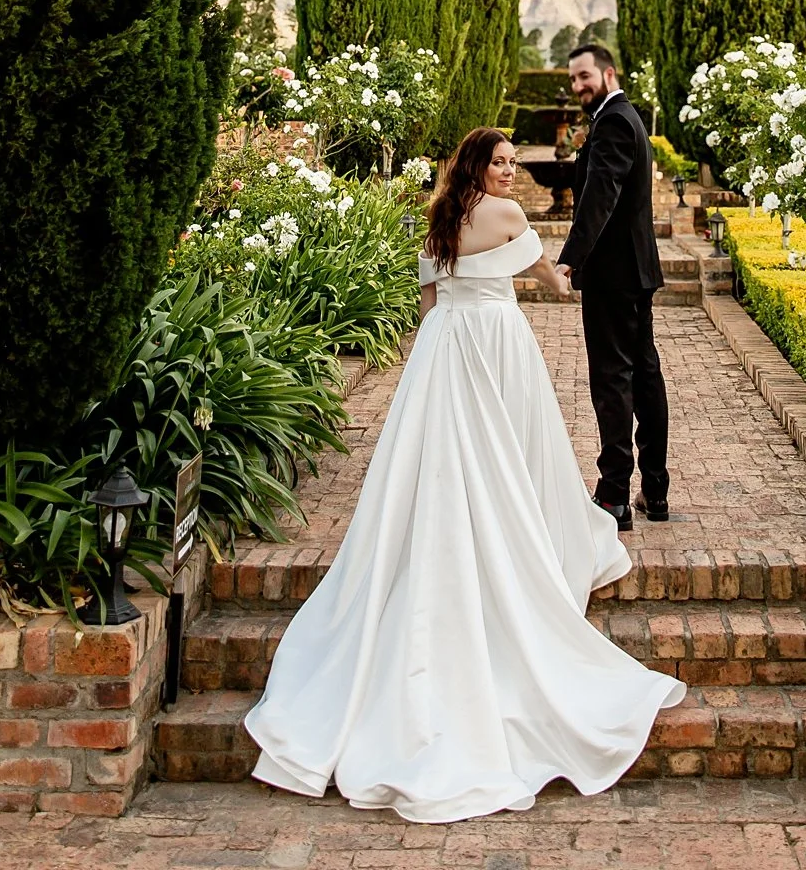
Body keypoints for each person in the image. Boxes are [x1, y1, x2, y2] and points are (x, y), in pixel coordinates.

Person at [243, 126, 684, 823]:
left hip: (444, 350)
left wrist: (433, 355)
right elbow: (550, 279)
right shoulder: (508, 217)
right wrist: (575, 275)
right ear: (479, 165)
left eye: (514, 162)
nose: (511, 172)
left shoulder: (439, 218)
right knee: (511, 451)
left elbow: (425, 308)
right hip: (496, 344)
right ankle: (520, 543)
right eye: (501, 162)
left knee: (441, 460)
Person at [557, 44, 670, 533]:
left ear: (607, 73)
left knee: (613, 381)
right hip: (633, 274)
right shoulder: (622, 117)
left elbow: (598, 200)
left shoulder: (616, 122)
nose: (578, 86)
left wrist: (569, 260)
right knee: (644, 377)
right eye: (573, 80)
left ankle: (613, 497)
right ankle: (656, 492)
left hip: (614, 276)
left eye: (584, 76)